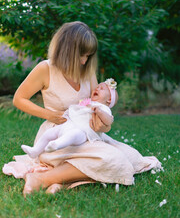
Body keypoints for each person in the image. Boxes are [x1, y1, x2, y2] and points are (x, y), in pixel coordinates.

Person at [3, 21, 162, 196]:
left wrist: (103, 126)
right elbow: (19, 99)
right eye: (82, 55)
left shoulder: (87, 70)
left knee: (131, 158)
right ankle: (41, 179)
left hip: (86, 135)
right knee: (114, 159)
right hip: (58, 137)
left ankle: (61, 181)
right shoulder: (45, 69)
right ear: (67, 50)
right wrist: (50, 115)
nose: (85, 61)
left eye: (88, 56)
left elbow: (97, 106)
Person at [21, 80, 118, 158]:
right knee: (50, 133)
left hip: (83, 132)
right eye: (97, 87)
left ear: (109, 99)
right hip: (68, 124)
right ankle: (35, 150)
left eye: (101, 88)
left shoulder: (104, 108)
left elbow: (109, 120)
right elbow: (77, 106)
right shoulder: (89, 101)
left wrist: (99, 112)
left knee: (73, 135)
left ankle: (57, 144)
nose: (97, 88)